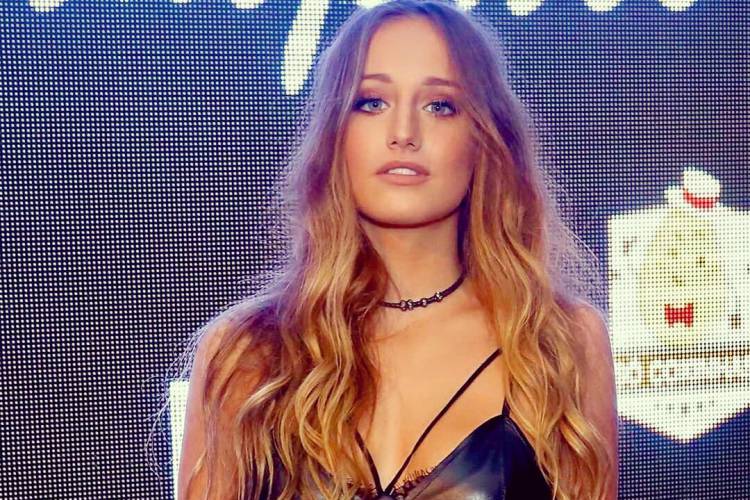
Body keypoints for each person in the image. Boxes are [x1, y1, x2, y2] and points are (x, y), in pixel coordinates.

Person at [175, 1, 618, 499]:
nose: (404, 133)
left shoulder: (559, 343)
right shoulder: (246, 351)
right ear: (334, 134)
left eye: (440, 106)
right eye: (371, 102)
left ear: (483, 139)